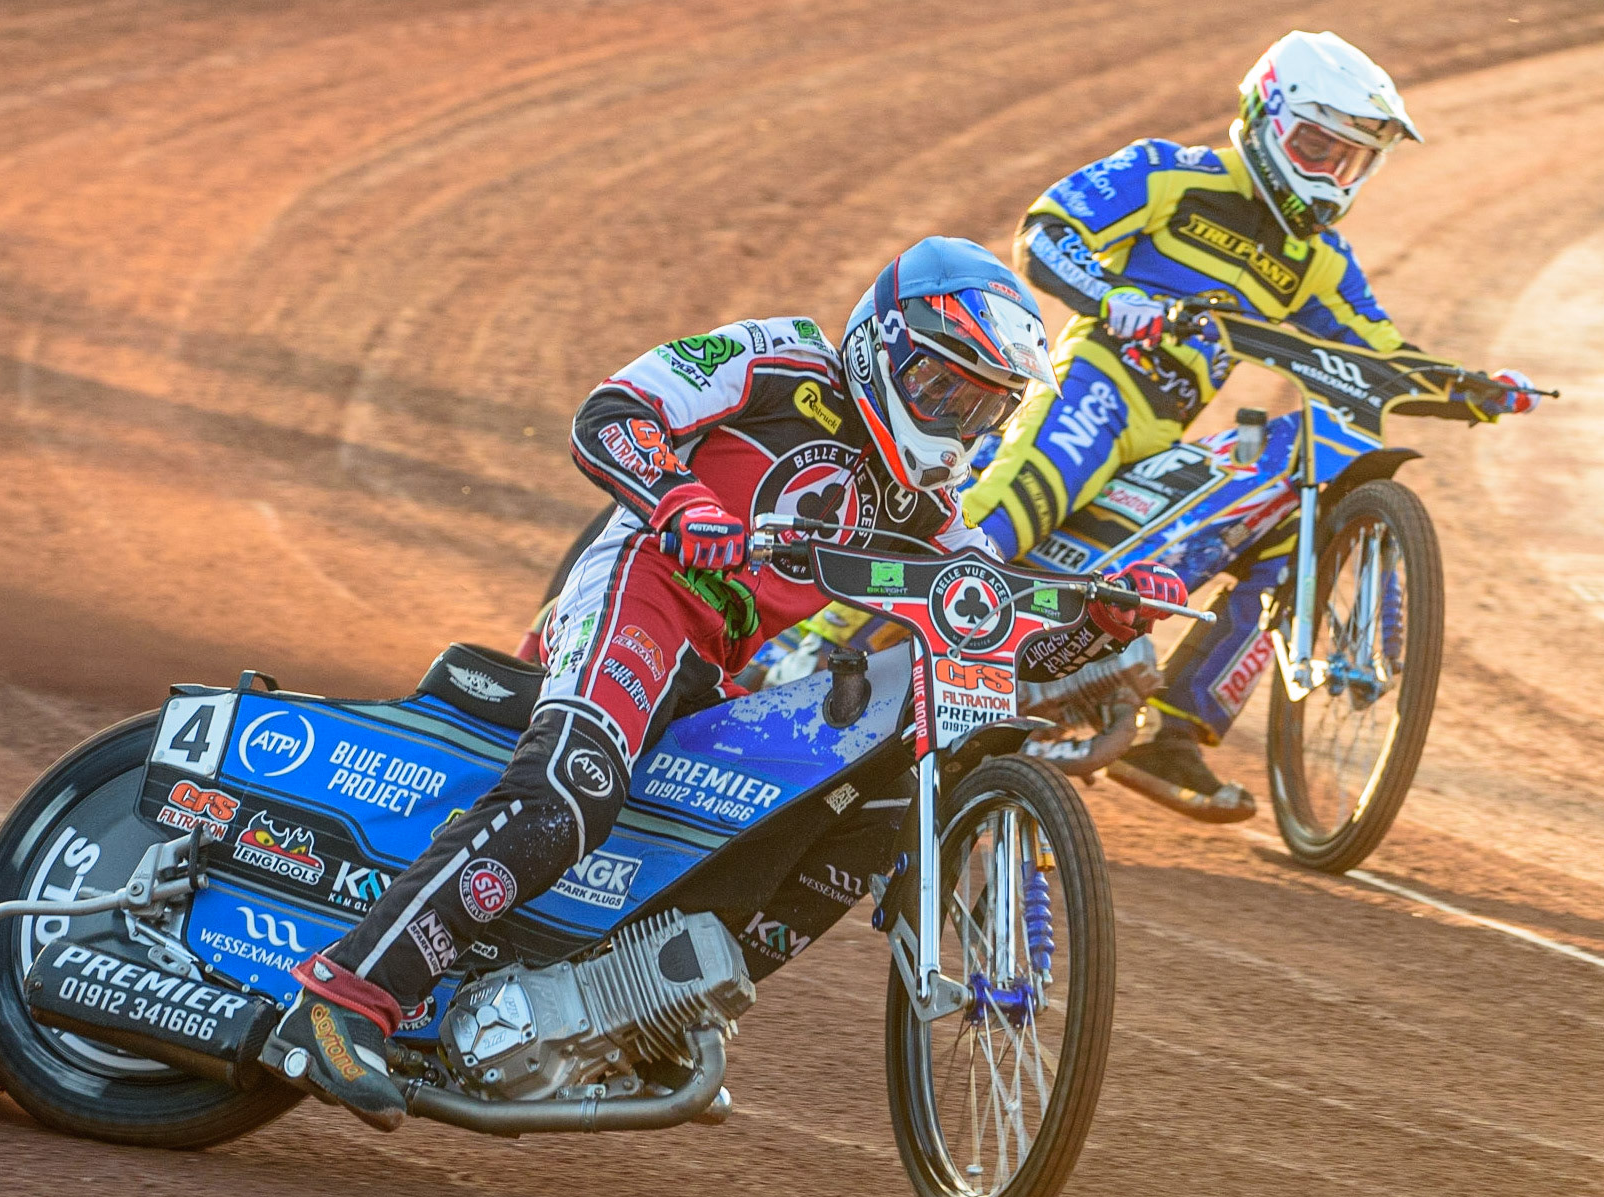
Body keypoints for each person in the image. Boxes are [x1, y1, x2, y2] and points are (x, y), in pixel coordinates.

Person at [259, 236, 1186, 1129]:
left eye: (982, 408)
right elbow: (610, 412)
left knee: (839, 807)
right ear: (882, 344)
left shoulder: (925, 508)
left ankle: (637, 1009)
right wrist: (679, 498)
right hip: (638, 591)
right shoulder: (779, 359)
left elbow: (992, 627)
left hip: (714, 662)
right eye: (941, 387)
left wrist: (1094, 621)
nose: (953, 421)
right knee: (567, 795)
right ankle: (348, 994)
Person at [959, 30, 1540, 821]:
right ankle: (832, 647)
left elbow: (1381, 351)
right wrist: (1108, 295)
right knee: (1014, 510)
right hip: (1096, 378)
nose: (1329, 174)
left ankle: (1173, 737)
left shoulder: (1319, 262)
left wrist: (1473, 388)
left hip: (1163, 432)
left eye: (1349, 161)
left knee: (1280, 535)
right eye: (1314, 146)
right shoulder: (1173, 172)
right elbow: (1048, 229)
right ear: (1266, 118)